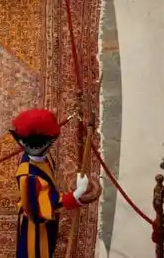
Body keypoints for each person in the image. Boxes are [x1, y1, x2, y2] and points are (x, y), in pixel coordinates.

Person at [10, 108, 99, 258]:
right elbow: (42, 208)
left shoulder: (41, 157)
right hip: (37, 226)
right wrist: (77, 194)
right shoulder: (29, 177)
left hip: (44, 220)